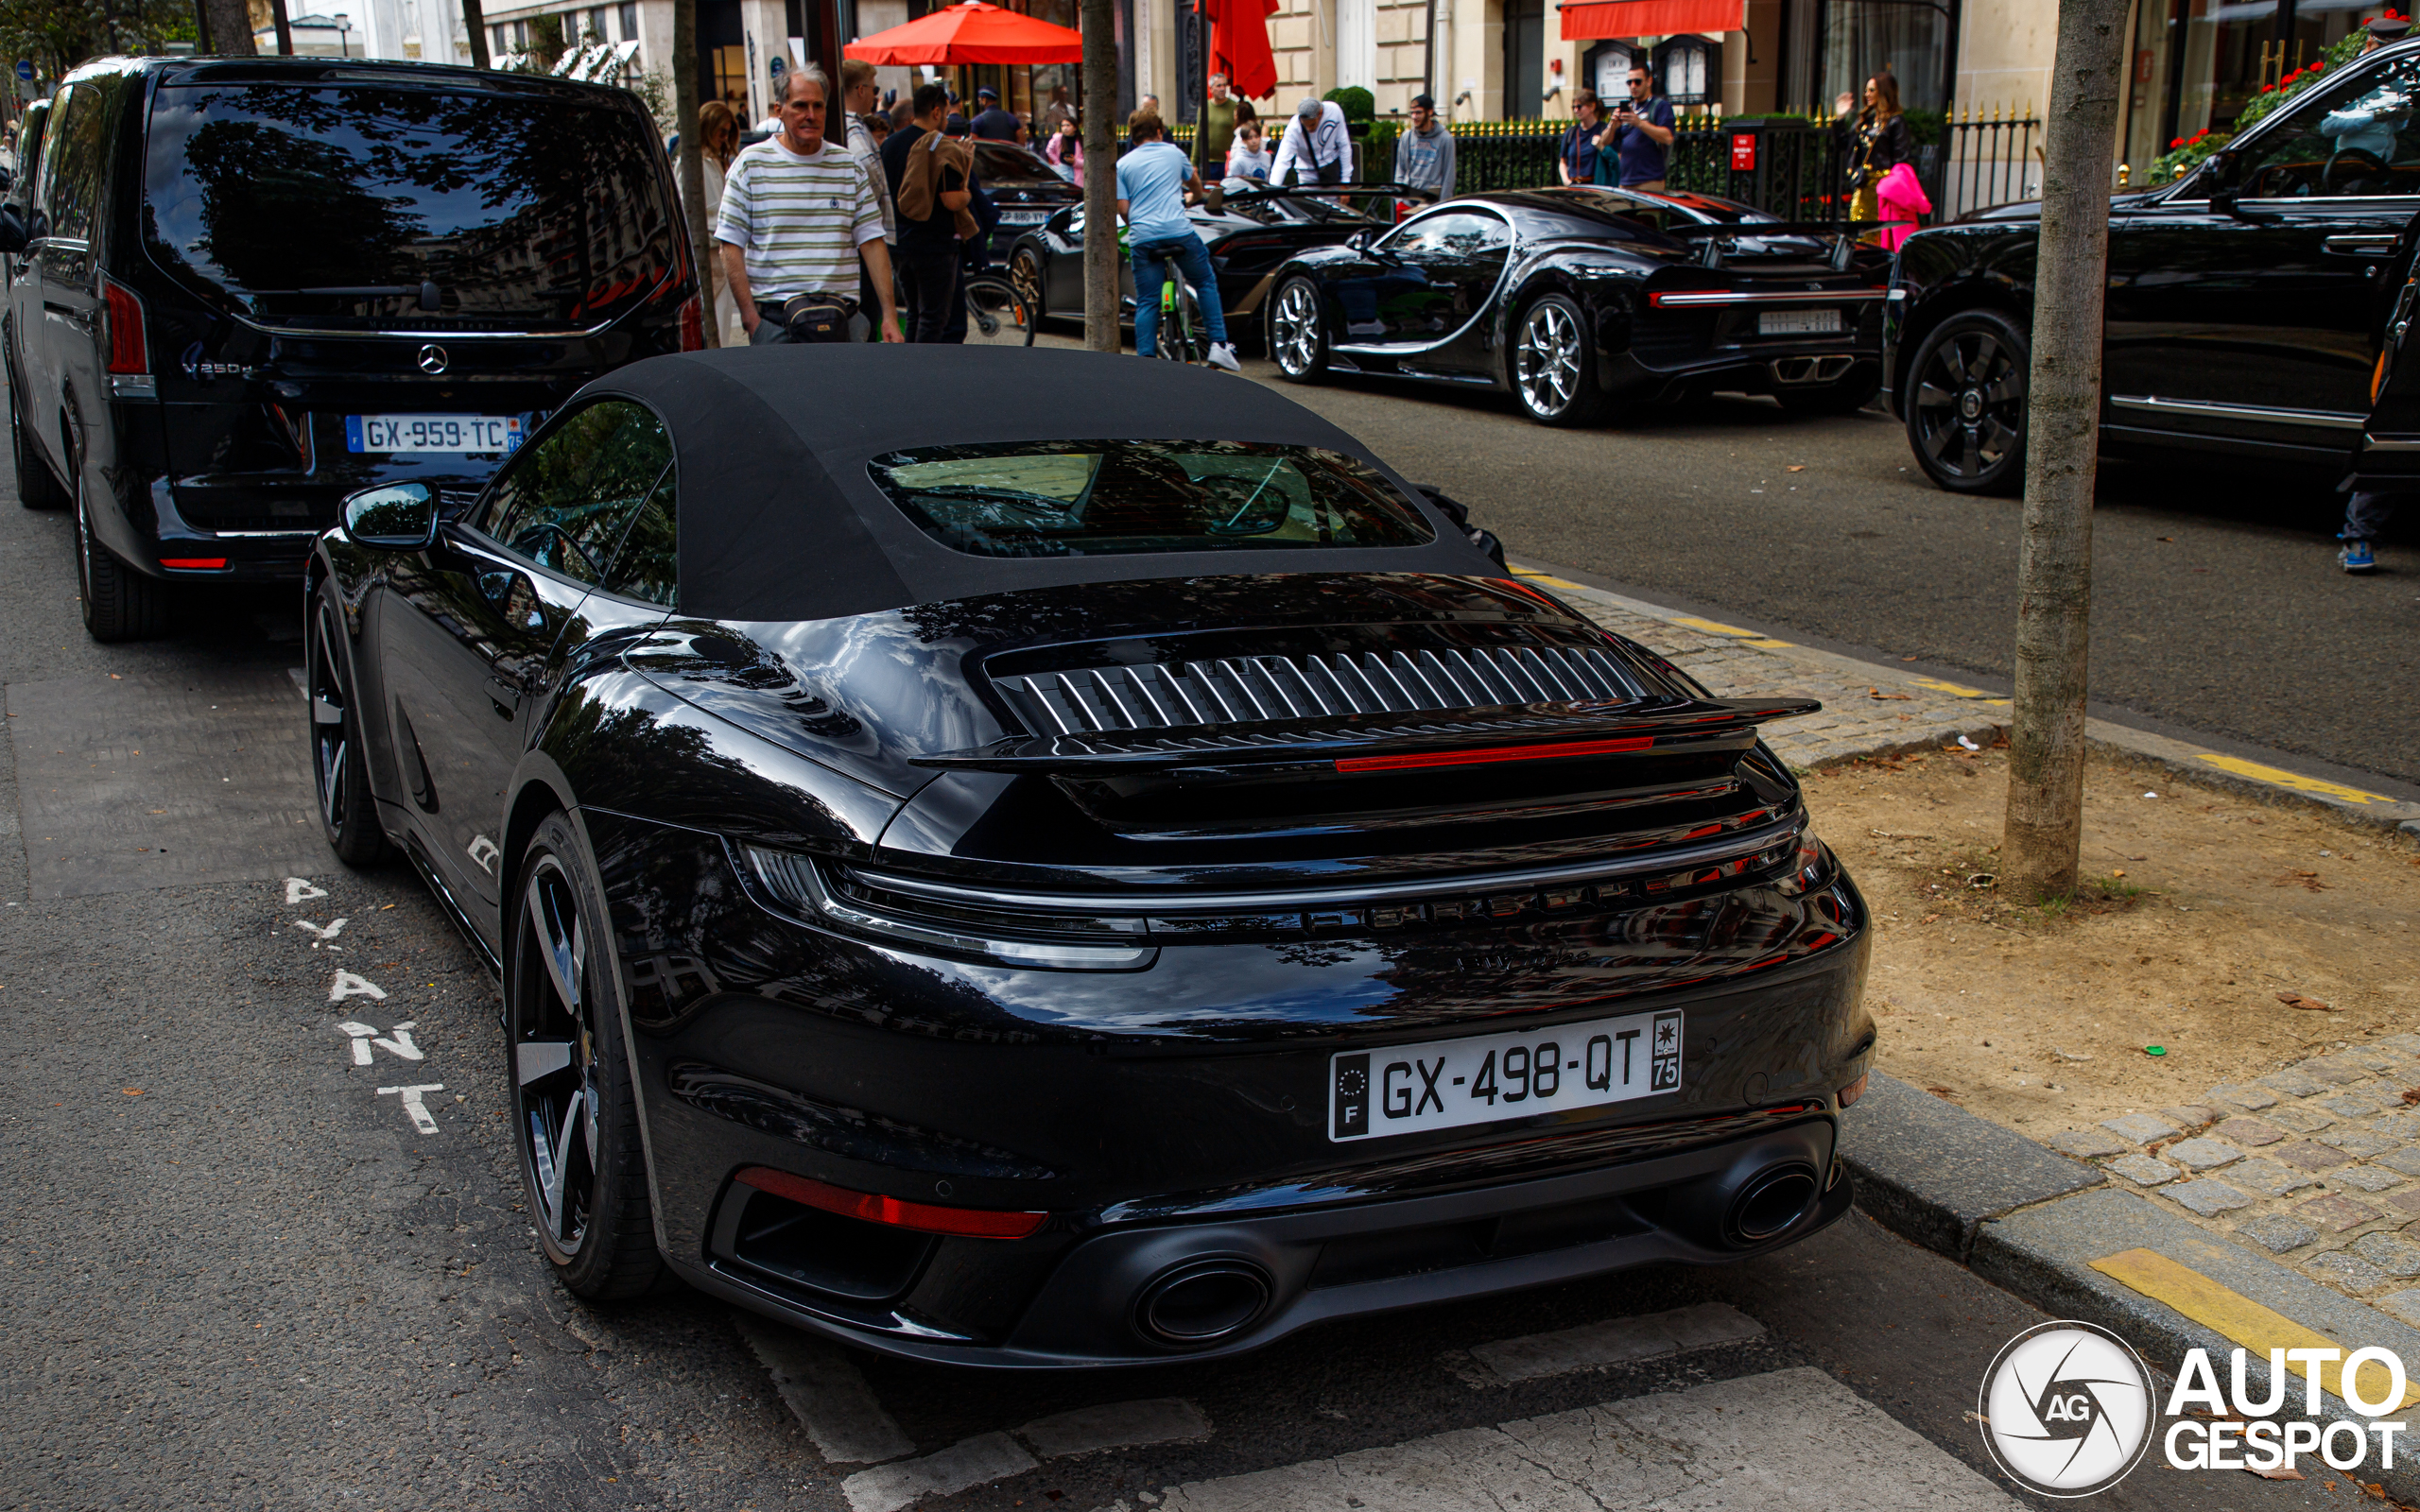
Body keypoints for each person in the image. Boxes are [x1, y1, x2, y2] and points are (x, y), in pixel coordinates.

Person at [717, 65, 904, 345]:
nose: (811, 115)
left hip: (844, 321)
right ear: (779, 109)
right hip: (777, 323)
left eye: (818, 105)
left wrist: (889, 314)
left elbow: (872, 241)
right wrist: (751, 319)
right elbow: (730, 246)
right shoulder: (750, 164)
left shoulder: (847, 165)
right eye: (800, 105)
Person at [1117, 109, 1240, 371]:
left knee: (1148, 299)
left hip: (1143, 237)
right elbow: (1196, 188)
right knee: (1205, 281)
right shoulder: (1175, 153)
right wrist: (1189, 199)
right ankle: (1219, 345)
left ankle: (1145, 360)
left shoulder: (1123, 164)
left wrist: (1140, 224)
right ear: (1159, 131)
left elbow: (1123, 209)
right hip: (1178, 232)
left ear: (1133, 136)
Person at [880, 83, 976, 342]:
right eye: (945, 113)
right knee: (934, 317)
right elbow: (952, 199)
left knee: (913, 313)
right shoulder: (940, 146)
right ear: (935, 112)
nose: (946, 119)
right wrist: (966, 187)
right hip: (934, 243)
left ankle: (909, 369)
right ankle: (923, 373)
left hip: (899, 241)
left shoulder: (890, 145)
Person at [840, 59, 897, 341]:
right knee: (868, 322)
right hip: (864, 241)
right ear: (860, 90)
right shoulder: (852, 129)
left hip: (861, 240)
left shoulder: (853, 127)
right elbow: (867, 173)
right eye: (874, 90)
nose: (876, 97)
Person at [697, 99, 747, 345]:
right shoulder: (696, 164)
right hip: (710, 261)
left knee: (721, 331)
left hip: (719, 260)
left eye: (729, 133)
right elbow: (694, 220)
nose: (725, 139)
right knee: (715, 332)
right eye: (722, 132)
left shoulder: (712, 162)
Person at [1838, 72, 1911, 222]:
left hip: (1885, 188)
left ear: (1884, 92)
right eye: (1866, 90)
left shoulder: (1896, 122)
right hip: (1863, 186)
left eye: (1872, 90)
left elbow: (1901, 160)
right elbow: (1844, 145)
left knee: (1881, 235)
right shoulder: (1865, 121)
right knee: (1860, 233)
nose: (1867, 94)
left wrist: (1891, 185)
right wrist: (1840, 118)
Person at [1594, 64, 1674, 191]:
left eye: (1637, 82)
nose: (1633, 86)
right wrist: (1612, 126)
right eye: (1629, 82)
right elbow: (1605, 141)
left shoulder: (1660, 106)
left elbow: (1668, 137)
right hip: (1625, 181)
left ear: (1649, 81)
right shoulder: (1628, 109)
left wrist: (1639, 123)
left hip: (1650, 180)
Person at [1270, 95, 1353, 187]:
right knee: (1307, 201)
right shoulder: (1293, 128)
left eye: (1312, 124)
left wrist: (1345, 181)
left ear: (1320, 114)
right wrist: (1273, 189)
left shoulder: (1334, 111)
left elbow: (1344, 145)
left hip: (1330, 169)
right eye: (1305, 125)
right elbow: (1282, 159)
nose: (1309, 128)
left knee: (1330, 201)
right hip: (1306, 172)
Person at [1392, 93, 1456, 199]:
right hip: (1407, 200)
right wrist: (1399, 200)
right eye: (1412, 113)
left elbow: (1449, 176)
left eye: (1418, 113)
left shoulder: (1445, 139)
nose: (1414, 117)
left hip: (1431, 201)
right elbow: (1400, 169)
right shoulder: (1406, 137)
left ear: (1430, 112)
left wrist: (1442, 204)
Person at [1198, 72, 1238, 178]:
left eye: (1224, 85)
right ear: (1211, 89)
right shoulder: (1204, 107)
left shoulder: (1234, 107)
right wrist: (1193, 163)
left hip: (1229, 161)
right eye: (1218, 86)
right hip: (1209, 163)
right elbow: (1198, 135)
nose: (1222, 89)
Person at [1558, 90, 1604, 185]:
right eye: (1573, 107)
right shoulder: (1571, 133)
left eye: (1579, 107)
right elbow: (1563, 161)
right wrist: (1566, 180)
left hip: (1596, 186)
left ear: (1592, 106)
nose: (1576, 110)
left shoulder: (1603, 130)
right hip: (1574, 187)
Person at [1046, 114, 1083, 178]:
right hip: (1063, 168)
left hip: (1078, 170)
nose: (1065, 128)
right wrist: (1057, 162)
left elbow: (1087, 160)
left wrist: (1075, 161)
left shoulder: (1080, 140)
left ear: (1075, 128)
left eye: (1068, 125)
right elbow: (1049, 150)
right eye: (1063, 126)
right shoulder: (1058, 138)